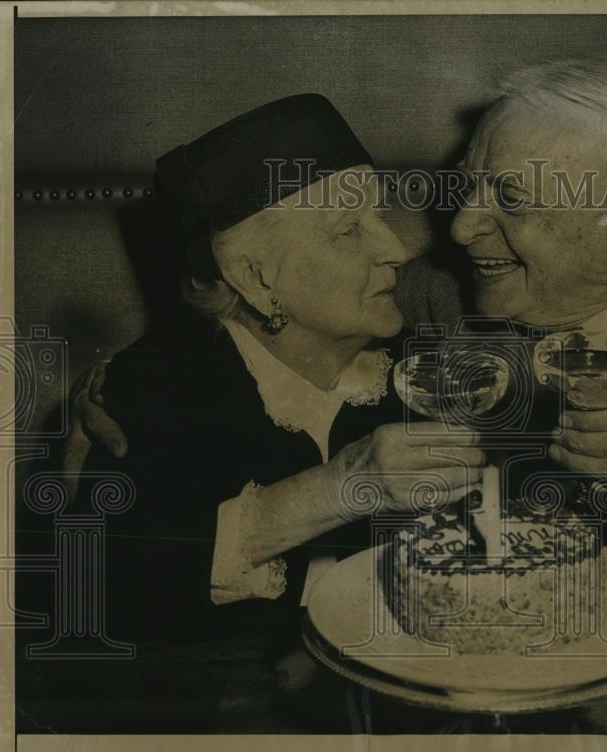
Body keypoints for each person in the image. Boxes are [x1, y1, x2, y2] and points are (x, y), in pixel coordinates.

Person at [68, 59, 607, 597]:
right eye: (467, 189)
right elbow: (255, 337)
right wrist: (118, 387)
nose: (458, 231)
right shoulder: (420, 302)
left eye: (512, 202)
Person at [65, 94, 487, 641]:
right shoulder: (152, 390)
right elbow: (101, 593)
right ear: (256, 279)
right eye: (348, 230)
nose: (395, 249)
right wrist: (338, 487)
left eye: (379, 214)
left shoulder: (426, 370)